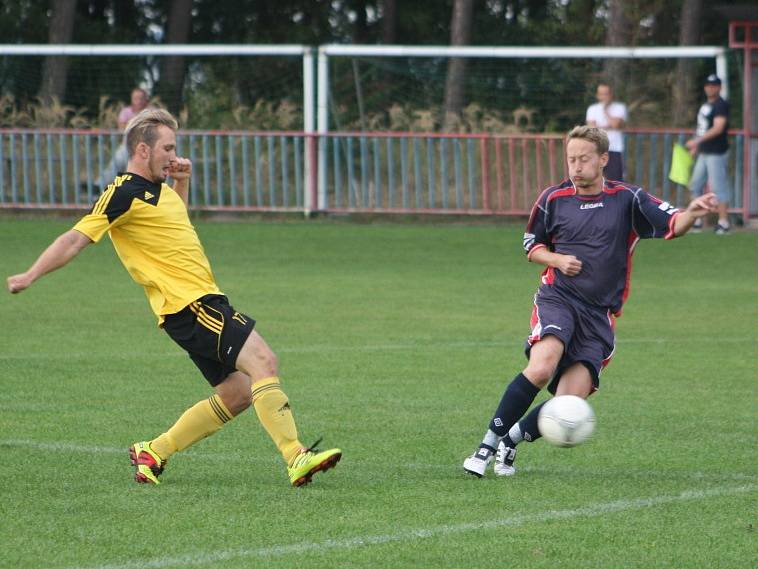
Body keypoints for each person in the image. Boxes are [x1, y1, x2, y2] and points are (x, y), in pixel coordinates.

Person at [7, 108, 342, 487]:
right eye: (167, 148)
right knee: (264, 360)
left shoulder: (159, 193)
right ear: (142, 150)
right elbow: (75, 238)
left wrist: (182, 183)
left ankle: (155, 450)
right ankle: (295, 455)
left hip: (193, 306)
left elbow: (174, 225)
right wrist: (31, 274)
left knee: (237, 394)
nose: (174, 155)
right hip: (192, 304)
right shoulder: (122, 193)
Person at [462, 126, 716, 478]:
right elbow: (530, 246)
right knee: (540, 367)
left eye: (583, 159)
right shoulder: (553, 198)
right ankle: (487, 445)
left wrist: (693, 211)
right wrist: (557, 260)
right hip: (558, 298)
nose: (576, 166)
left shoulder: (628, 199)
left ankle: (512, 441)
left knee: (569, 401)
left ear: (603, 160)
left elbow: (674, 223)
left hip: (599, 314)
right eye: (571, 159)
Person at [686, 74, 731, 234]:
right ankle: (696, 219)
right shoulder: (706, 105)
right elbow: (703, 128)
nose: (710, 88)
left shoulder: (721, 105)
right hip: (704, 152)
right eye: (707, 85)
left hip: (716, 152)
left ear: (719, 87)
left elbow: (718, 128)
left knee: (719, 187)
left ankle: (724, 222)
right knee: (695, 185)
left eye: (713, 85)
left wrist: (696, 142)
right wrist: (697, 147)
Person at [92, 88, 151, 191]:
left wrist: (132, 124)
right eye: (136, 98)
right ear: (132, 99)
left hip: (147, 147)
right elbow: (122, 127)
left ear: (146, 99)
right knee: (117, 162)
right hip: (128, 146)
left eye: (141, 98)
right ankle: (98, 186)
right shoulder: (126, 111)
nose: (138, 101)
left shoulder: (151, 112)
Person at [586, 82, 627, 181]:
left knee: (615, 182)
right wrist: (608, 126)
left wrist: (605, 111)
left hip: (614, 149)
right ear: (597, 95)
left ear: (611, 94)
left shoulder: (620, 107)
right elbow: (592, 129)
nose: (604, 96)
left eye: (606, 94)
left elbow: (615, 124)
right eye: (601, 94)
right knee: (594, 180)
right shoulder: (592, 109)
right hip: (596, 149)